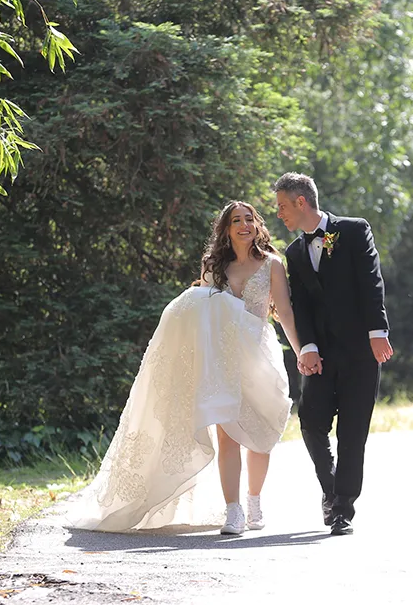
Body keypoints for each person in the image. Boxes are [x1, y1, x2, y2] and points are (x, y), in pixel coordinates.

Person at [67, 201, 299, 534]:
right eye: (237, 220)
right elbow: (201, 315)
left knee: (261, 433)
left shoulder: (272, 265)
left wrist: (301, 350)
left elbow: (286, 313)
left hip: (258, 355)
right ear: (226, 229)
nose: (245, 225)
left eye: (250, 219)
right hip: (222, 359)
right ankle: (233, 511)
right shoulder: (213, 266)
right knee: (227, 433)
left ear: (257, 225)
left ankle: (254, 500)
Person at [274, 172, 393, 536]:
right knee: (310, 421)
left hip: (360, 351)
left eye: (282, 206)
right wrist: (306, 347)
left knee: (353, 433)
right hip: (320, 355)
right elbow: (302, 307)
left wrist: (378, 332)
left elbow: (372, 281)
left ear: (301, 202)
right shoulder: (294, 253)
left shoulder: (355, 231)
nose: (279, 214)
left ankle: (342, 508)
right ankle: (331, 491)